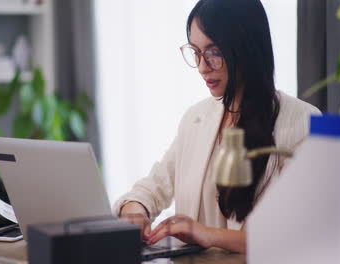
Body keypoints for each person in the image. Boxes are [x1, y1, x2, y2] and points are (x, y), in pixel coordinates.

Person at [112, 0, 321, 254]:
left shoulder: (302, 122)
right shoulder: (196, 118)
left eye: (214, 52)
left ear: (247, 48)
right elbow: (155, 185)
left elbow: (296, 233)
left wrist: (207, 234)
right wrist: (135, 209)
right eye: (196, 52)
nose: (202, 67)